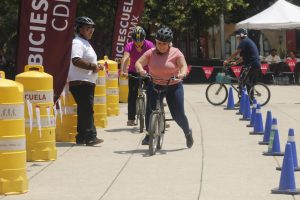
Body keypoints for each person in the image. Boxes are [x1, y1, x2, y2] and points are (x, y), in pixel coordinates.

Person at [135, 26, 193, 148]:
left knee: (178, 115)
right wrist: (141, 70)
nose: (161, 46)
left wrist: (182, 74)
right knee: (149, 111)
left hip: (173, 86)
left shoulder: (176, 53)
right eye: (159, 43)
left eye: (164, 44)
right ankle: (149, 134)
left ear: (169, 43)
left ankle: (187, 132)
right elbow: (139, 63)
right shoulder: (150, 53)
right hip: (155, 84)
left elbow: (183, 66)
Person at [67, 16, 104, 146]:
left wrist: (96, 66)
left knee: (84, 109)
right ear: (79, 29)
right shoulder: (77, 42)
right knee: (87, 110)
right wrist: (93, 66)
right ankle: (90, 137)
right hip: (80, 82)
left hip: (85, 81)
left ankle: (81, 137)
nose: (91, 31)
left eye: (92, 28)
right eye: (87, 28)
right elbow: (76, 60)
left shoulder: (84, 42)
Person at [120, 26, 154, 126]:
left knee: (152, 93)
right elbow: (125, 58)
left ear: (144, 39)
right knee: (132, 95)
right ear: (133, 40)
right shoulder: (129, 45)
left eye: (141, 42)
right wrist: (122, 71)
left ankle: (156, 116)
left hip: (147, 71)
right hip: (133, 71)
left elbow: (155, 57)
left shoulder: (149, 45)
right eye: (136, 42)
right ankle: (131, 119)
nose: (138, 44)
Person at [223, 28, 261, 98]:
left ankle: (242, 100)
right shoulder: (248, 41)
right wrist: (235, 63)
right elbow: (244, 57)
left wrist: (227, 60)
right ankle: (250, 99)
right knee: (247, 81)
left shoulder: (244, 41)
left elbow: (236, 52)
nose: (237, 39)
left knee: (241, 80)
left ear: (241, 36)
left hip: (251, 64)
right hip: (254, 64)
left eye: (237, 37)